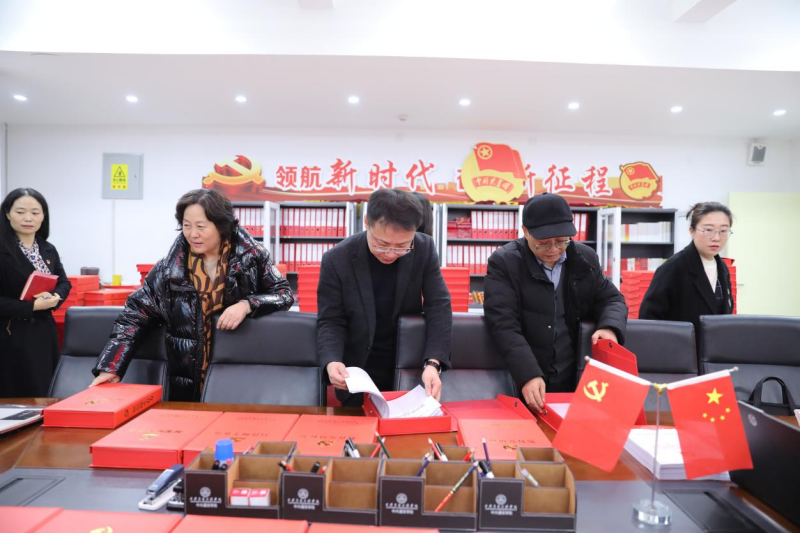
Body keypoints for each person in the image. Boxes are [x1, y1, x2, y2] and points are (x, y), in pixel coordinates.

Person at [90, 189, 294, 401]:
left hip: (238, 376)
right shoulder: (169, 270)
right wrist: (111, 366)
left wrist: (247, 305)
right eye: (187, 225)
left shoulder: (251, 258)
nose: (192, 234)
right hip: (186, 380)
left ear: (221, 225)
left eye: (201, 226)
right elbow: (134, 315)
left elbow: (283, 294)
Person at [484, 193, 627, 412]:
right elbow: (503, 323)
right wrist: (528, 373)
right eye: (543, 243)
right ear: (525, 232)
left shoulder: (584, 258)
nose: (553, 250)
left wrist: (609, 327)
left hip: (574, 372)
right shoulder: (505, 262)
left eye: (561, 241)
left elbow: (611, 298)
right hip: (525, 373)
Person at [318, 188, 452, 405]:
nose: (390, 254)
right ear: (367, 223)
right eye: (381, 245)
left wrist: (433, 363)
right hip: (358, 369)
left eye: (401, 247)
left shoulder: (424, 248)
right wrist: (332, 361)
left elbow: (439, 306)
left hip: (409, 365)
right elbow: (331, 319)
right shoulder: (337, 259)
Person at [0, 188, 71, 397]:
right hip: (10, 333)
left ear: (43, 216)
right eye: (20, 212)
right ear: (7, 214)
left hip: (43, 333)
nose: (28, 218)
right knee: (16, 395)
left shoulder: (47, 248)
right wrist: (31, 307)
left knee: (45, 391)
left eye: (35, 212)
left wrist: (56, 297)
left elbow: (63, 282)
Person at [639, 202, 734, 330]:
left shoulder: (722, 267)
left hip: (715, 341)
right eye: (708, 230)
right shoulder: (673, 267)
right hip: (680, 342)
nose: (716, 238)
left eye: (723, 231)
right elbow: (649, 319)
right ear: (692, 231)